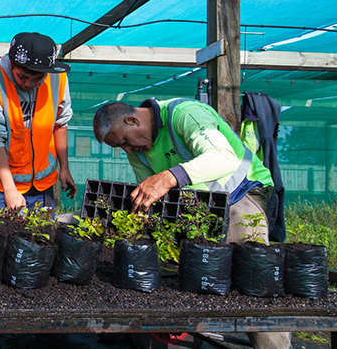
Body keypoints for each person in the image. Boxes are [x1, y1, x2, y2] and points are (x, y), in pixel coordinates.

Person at [93, 98, 289, 349]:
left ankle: (274, 346)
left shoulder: (185, 114)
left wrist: (169, 176)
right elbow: (151, 197)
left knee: (252, 280)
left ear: (132, 120)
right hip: (196, 207)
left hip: (240, 193)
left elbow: (224, 157)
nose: (127, 151)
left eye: (123, 142)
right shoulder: (138, 151)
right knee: (188, 273)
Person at [0, 32, 77, 213]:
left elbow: (60, 122)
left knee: (40, 237)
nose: (29, 83)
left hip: (41, 183)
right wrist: (9, 188)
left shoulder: (58, 78)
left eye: (37, 78)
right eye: (22, 76)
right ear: (12, 64)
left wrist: (64, 168)